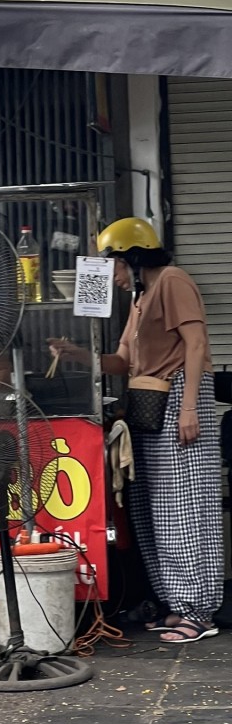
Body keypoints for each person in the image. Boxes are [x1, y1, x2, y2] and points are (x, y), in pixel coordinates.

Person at [49, 217, 222, 644]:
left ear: (132, 256)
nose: (114, 277)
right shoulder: (141, 298)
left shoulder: (172, 281)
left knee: (184, 508)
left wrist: (189, 409)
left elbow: (197, 344)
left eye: (116, 267)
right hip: (149, 404)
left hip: (180, 395)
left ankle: (197, 610)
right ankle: (173, 602)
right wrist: (76, 354)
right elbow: (123, 362)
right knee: (154, 511)